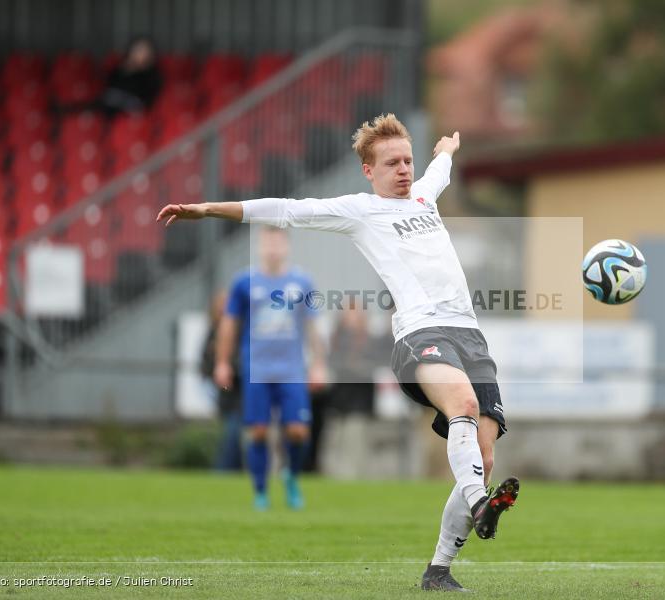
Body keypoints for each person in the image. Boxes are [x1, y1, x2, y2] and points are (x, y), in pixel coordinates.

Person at [157, 114, 519, 591]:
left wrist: (447, 149)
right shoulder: (359, 210)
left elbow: (440, 170)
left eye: (408, 160)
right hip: (420, 332)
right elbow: (286, 210)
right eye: (392, 163)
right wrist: (207, 209)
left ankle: (438, 570)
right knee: (464, 408)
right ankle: (479, 504)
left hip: (470, 335)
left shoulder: (425, 196)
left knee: (485, 457)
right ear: (369, 171)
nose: (404, 170)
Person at [217, 226, 327, 510]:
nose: (273, 248)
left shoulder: (302, 282)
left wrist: (318, 365)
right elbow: (229, 325)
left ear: (286, 246)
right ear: (260, 246)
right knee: (258, 432)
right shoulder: (244, 282)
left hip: (291, 369)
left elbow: (313, 326)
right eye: (268, 242)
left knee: (298, 431)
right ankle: (261, 491)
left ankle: (290, 475)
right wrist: (222, 362)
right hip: (257, 369)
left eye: (278, 242)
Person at [200, 290, 243, 472]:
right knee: (230, 435)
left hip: (242, 394)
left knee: (236, 435)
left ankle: (226, 471)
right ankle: (224, 471)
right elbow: (205, 365)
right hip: (228, 396)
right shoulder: (213, 333)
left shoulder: (242, 331)